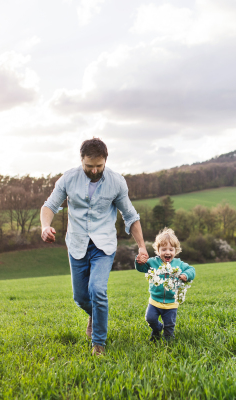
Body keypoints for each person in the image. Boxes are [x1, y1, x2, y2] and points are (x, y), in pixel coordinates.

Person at [40, 138, 149, 356]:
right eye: (89, 166)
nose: (94, 170)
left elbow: (131, 216)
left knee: (97, 290)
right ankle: (95, 315)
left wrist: (142, 247)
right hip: (77, 244)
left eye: (99, 166)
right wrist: (45, 226)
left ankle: (98, 343)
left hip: (103, 246)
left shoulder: (117, 182)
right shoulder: (68, 179)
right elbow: (49, 205)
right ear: (81, 160)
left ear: (105, 160)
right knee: (80, 297)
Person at [135, 228, 195, 342]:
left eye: (171, 249)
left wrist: (186, 275)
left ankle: (168, 341)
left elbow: (191, 270)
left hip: (171, 302)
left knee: (169, 324)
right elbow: (142, 268)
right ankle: (157, 329)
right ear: (158, 250)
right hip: (155, 301)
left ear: (175, 251)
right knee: (150, 319)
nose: (167, 252)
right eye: (163, 249)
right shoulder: (153, 262)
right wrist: (139, 262)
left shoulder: (179, 264)